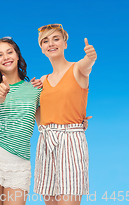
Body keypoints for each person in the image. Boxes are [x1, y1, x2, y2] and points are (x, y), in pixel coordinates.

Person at [33, 23, 97, 205]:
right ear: (42, 48)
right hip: (46, 142)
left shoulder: (78, 69)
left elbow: (87, 65)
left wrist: (91, 57)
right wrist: (31, 95)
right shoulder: (42, 81)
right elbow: (40, 116)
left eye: (56, 39)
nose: (51, 43)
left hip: (71, 141)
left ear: (65, 43)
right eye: (45, 41)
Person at [0, 37, 42, 205]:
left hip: (20, 162)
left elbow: (44, 124)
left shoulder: (34, 89)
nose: (6, 57)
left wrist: (76, 124)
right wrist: (0, 93)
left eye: (9, 52)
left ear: (17, 56)